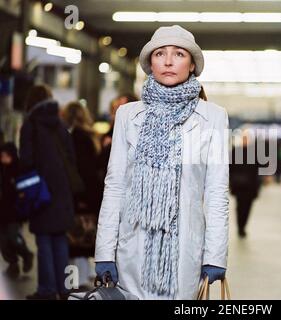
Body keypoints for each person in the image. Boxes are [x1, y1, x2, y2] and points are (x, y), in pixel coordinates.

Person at [94, 25, 229, 300]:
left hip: (183, 254)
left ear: (192, 65)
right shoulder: (127, 115)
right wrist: (104, 251)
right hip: (131, 249)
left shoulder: (213, 117)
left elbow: (216, 192)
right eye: (160, 54)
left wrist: (215, 255)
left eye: (178, 54)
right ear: (150, 63)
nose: (168, 61)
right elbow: (115, 185)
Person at [19, 85, 75, 300]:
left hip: (41, 190)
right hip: (62, 190)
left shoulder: (30, 125)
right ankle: (64, 288)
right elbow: (71, 158)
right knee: (60, 239)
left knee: (43, 240)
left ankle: (47, 289)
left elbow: (27, 160)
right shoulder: (61, 125)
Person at [61, 101, 102, 288]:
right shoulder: (89, 136)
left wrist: (82, 198)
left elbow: (83, 171)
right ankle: (82, 278)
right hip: (90, 195)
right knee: (84, 239)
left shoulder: (77, 138)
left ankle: (76, 282)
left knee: (76, 240)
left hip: (81, 196)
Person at [0, 142, 34, 279]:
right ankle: (12, 263)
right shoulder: (1, 169)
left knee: (14, 237)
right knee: (3, 241)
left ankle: (26, 254)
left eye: (6, 155)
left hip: (14, 212)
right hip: (2, 212)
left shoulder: (19, 169)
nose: (3, 158)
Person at [230, 129, 262, 238]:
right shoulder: (235, 151)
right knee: (239, 207)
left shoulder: (255, 152)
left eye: (247, 138)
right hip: (239, 186)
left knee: (248, 207)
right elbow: (230, 167)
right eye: (243, 138)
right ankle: (240, 227)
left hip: (251, 186)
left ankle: (243, 226)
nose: (245, 140)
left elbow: (259, 168)